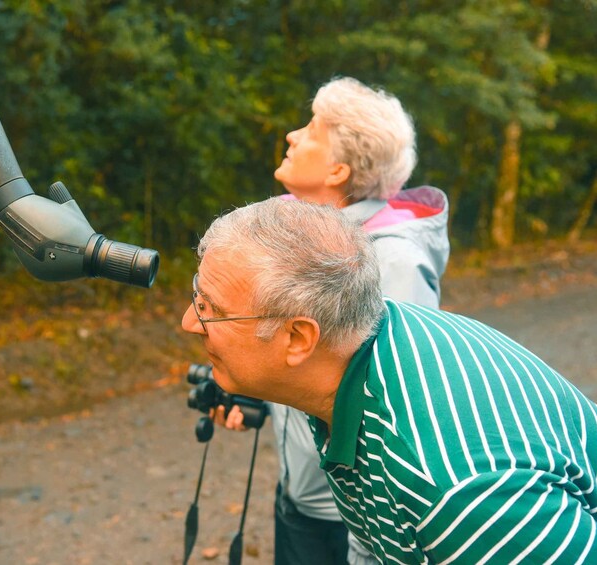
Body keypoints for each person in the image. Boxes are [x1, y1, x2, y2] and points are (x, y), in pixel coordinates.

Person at [183, 197, 597, 563]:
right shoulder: (352, 362)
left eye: (209, 308)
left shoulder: (455, 490)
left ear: (298, 338)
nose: (189, 322)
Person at [224, 76, 449, 564]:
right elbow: (314, 363)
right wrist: (255, 394)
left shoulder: (393, 263)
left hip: (354, 521)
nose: (292, 136)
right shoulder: (302, 241)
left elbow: (401, 402)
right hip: (300, 496)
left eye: (311, 129)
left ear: (338, 170)